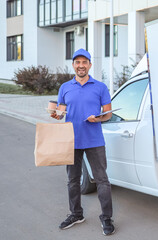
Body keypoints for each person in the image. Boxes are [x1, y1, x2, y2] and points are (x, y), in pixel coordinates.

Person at [51, 48, 115, 236]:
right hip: (71, 140)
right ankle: (76, 214)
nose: (81, 66)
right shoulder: (65, 87)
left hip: (94, 140)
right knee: (72, 180)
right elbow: (61, 111)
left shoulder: (100, 87)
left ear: (89, 65)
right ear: (73, 65)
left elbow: (108, 114)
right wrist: (56, 115)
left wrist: (99, 119)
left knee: (102, 180)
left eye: (84, 62)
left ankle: (106, 218)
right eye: (77, 62)